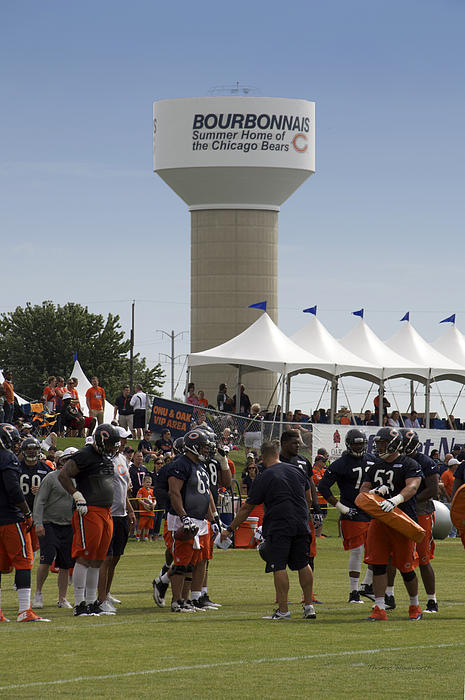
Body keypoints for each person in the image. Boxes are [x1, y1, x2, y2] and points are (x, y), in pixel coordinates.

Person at [221, 440, 316, 620]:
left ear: (263, 457)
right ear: (278, 453)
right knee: (304, 563)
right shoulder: (297, 470)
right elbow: (309, 497)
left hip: (279, 525)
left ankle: (283, 610)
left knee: (278, 565)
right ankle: (309, 606)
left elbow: (247, 507)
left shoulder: (265, 475)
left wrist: (230, 529)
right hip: (300, 522)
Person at [359, 426, 423, 621]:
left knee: (405, 566)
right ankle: (379, 607)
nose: (379, 447)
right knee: (377, 564)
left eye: (383, 443)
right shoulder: (375, 465)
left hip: (402, 520)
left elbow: (412, 487)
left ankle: (415, 605)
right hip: (379, 520)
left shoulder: (409, 464)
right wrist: (374, 493)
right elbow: (363, 489)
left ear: (394, 444)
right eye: (378, 443)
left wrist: (395, 500)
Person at [58, 423, 120, 616]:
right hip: (89, 510)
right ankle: (79, 604)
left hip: (105, 511)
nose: (112, 448)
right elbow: (64, 475)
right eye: (110, 444)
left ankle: (93, 602)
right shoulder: (85, 455)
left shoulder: (103, 457)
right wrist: (77, 495)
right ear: (101, 441)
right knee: (85, 557)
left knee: (97, 559)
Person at [152, 430, 215, 612]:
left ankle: (185, 600)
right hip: (184, 519)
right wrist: (183, 516)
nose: (206, 450)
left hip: (200, 519)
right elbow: (174, 492)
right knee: (181, 562)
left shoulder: (199, 465)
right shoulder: (180, 464)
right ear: (193, 446)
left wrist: (213, 518)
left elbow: (204, 494)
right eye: (203, 446)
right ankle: (177, 601)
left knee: (192, 563)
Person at [318, 428, 374, 603]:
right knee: (357, 552)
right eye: (356, 444)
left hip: (373, 511)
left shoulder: (373, 460)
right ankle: (353, 592)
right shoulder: (340, 464)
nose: (359, 447)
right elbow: (323, 487)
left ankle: (367, 585)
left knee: (376, 550)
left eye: (361, 444)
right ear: (349, 444)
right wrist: (341, 507)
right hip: (353, 511)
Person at [0, 423, 50, 622]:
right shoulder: (8, 458)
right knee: (24, 561)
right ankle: (24, 610)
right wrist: (27, 513)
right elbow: (13, 489)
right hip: (11, 519)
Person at [32, 447, 77, 610]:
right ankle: (38, 593)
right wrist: (38, 523)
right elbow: (40, 501)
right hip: (49, 523)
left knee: (65, 563)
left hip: (67, 525)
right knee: (46, 558)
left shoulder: (77, 480)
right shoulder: (51, 478)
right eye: (67, 460)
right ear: (62, 461)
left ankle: (62, 598)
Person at [96, 427, 136, 613]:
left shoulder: (122, 460)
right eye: (122, 439)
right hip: (108, 513)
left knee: (116, 556)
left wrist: (130, 510)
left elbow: (123, 488)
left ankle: (107, 591)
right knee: (106, 557)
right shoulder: (105, 459)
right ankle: (100, 597)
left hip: (121, 514)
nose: (125, 442)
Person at [399, 429, 440, 613]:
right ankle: (388, 595)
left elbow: (433, 490)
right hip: (400, 511)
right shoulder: (396, 461)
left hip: (421, 511)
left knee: (423, 558)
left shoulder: (426, 462)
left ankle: (432, 599)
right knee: (394, 555)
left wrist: (410, 499)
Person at [19, 436, 53, 554]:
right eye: (29, 449)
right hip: (19, 511)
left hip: (38, 511)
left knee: (34, 544)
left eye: (34, 449)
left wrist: (42, 490)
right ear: (23, 450)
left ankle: (28, 564)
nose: (32, 451)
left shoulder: (46, 469)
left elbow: (53, 491)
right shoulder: (16, 467)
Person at [137, 474, 155, 541]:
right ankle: (138, 537)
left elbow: (154, 499)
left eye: (149, 482)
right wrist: (145, 504)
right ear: (143, 482)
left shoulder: (151, 491)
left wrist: (153, 504)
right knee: (141, 525)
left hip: (150, 511)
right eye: (147, 482)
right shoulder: (141, 490)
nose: (148, 483)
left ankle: (146, 537)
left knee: (148, 526)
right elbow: (139, 499)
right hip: (143, 511)